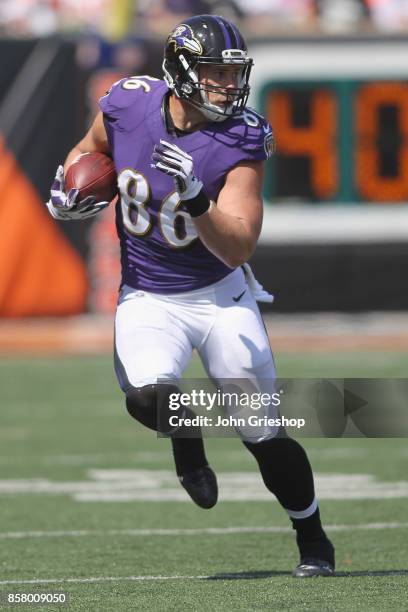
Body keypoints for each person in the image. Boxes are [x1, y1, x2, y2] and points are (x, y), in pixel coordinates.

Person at [47, 14, 335, 578]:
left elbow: (239, 247)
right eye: (215, 73)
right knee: (146, 397)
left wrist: (198, 197)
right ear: (181, 71)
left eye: (234, 74)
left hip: (219, 295)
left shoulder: (242, 136)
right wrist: (71, 187)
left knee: (263, 432)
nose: (228, 85)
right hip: (150, 294)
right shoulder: (127, 103)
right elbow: (91, 147)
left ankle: (314, 539)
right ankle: (187, 437)